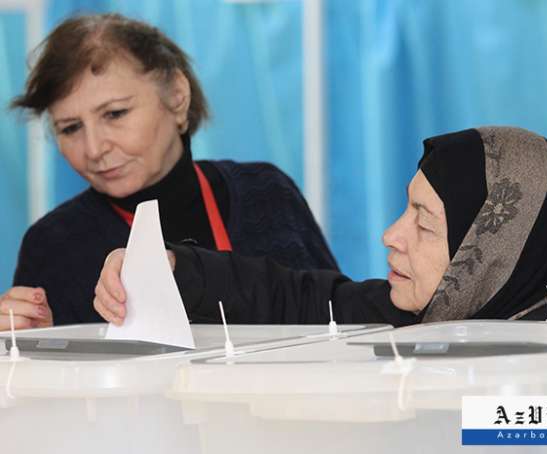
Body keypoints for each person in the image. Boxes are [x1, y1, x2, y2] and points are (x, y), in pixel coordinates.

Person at [0, 13, 337, 331]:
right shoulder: (52, 244)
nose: (93, 148)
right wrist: (35, 349)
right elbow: (50, 384)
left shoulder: (266, 191)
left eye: (115, 114)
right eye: (70, 128)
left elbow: (340, 324)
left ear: (177, 96)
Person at [95, 127, 547, 326]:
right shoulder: (427, 315)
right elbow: (294, 297)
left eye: (423, 224)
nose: (390, 235)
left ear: (492, 251)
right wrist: (173, 268)